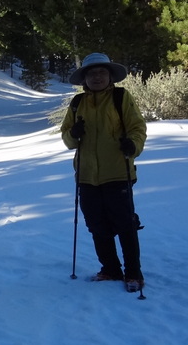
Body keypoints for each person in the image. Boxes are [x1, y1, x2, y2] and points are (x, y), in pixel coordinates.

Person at [61, 53, 147, 293]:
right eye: (91, 73)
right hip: (87, 176)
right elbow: (67, 138)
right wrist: (74, 134)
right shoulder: (78, 103)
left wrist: (133, 144)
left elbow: (137, 127)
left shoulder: (121, 97)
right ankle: (110, 268)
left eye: (101, 72)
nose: (96, 77)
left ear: (110, 76)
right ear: (84, 78)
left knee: (125, 224)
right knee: (97, 225)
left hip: (118, 172)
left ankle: (133, 273)